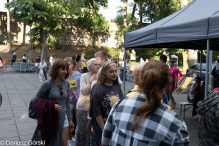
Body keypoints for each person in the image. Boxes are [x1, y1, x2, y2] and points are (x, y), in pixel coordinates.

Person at [102, 60, 189, 146]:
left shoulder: (119, 105)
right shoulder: (175, 124)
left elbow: (105, 141)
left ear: (141, 80)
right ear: (166, 86)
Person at [31, 59, 74, 146]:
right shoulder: (47, 84)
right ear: (56, 69)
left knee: (63, 143)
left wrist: (70, 119)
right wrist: (51, 105)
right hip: (50, 118)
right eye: (62, 69)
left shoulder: (66, 83)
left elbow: (67, 102)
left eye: (66, 69)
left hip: (64, 118)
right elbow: (35, 100)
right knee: (52, 143)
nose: (65, 71)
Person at [89, 61, 124, 146]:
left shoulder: (117, 87)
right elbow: (97, 112)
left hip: (115, 124)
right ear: (104, 72)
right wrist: (104, 130)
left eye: (115, 71)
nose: (114, 74)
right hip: (102, 125)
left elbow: (121, 106)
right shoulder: (98, 88)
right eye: (111, 72)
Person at [76, 58, 100, 146]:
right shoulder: (84, 76)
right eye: (95, 64)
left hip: (95, 108)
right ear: (89, 67)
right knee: (83, 131)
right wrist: (91, 82)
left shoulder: (100, 76)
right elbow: (83, 91)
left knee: (93, 131)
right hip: (84, 107)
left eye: (98, 65)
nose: (98, 66)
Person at [64, 57, 81, 145]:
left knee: (79, 122)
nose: (67, 66)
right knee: (69, 122)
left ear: (73, 65)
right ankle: (70, 141)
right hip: (69, 102)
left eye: (69, 64)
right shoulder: (64, 77)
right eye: (65, 65)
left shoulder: (79, 75)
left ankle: (77, 138)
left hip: (79, 102)